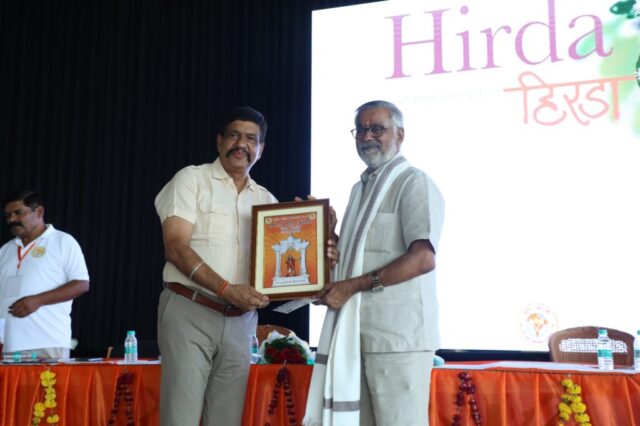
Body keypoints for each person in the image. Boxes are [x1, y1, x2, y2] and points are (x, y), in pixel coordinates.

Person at [304, 100, 445, 426]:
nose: (368, 136)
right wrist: (326, 235)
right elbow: (356, 260)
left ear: (400, 135)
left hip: (397, 339)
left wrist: (350, 286)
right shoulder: (360, 189)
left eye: (377, 129)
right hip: (356, 334)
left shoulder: (413, 183)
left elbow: (423, 258)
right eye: (361, 130)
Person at [154, 106, 276, 426]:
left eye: (251, 139)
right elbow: (176, 247)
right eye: (234, 135)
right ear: (219, 141)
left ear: (261, 149)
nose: (242, 144)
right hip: (190, 310)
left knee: (226, 419)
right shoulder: (191, 179)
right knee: (180, 419)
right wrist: (226, 290)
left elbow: (278, 270)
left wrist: (320, 244)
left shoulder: (267, 201)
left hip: (240, 323)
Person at [0, 190, 90, 359]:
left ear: (39, 212)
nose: (11, 219)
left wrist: (38, 300)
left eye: (18, 213)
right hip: (8, 345)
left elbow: (81, 284)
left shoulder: (62, 241)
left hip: (46, 341)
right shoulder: (5, 250)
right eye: (8, 215)